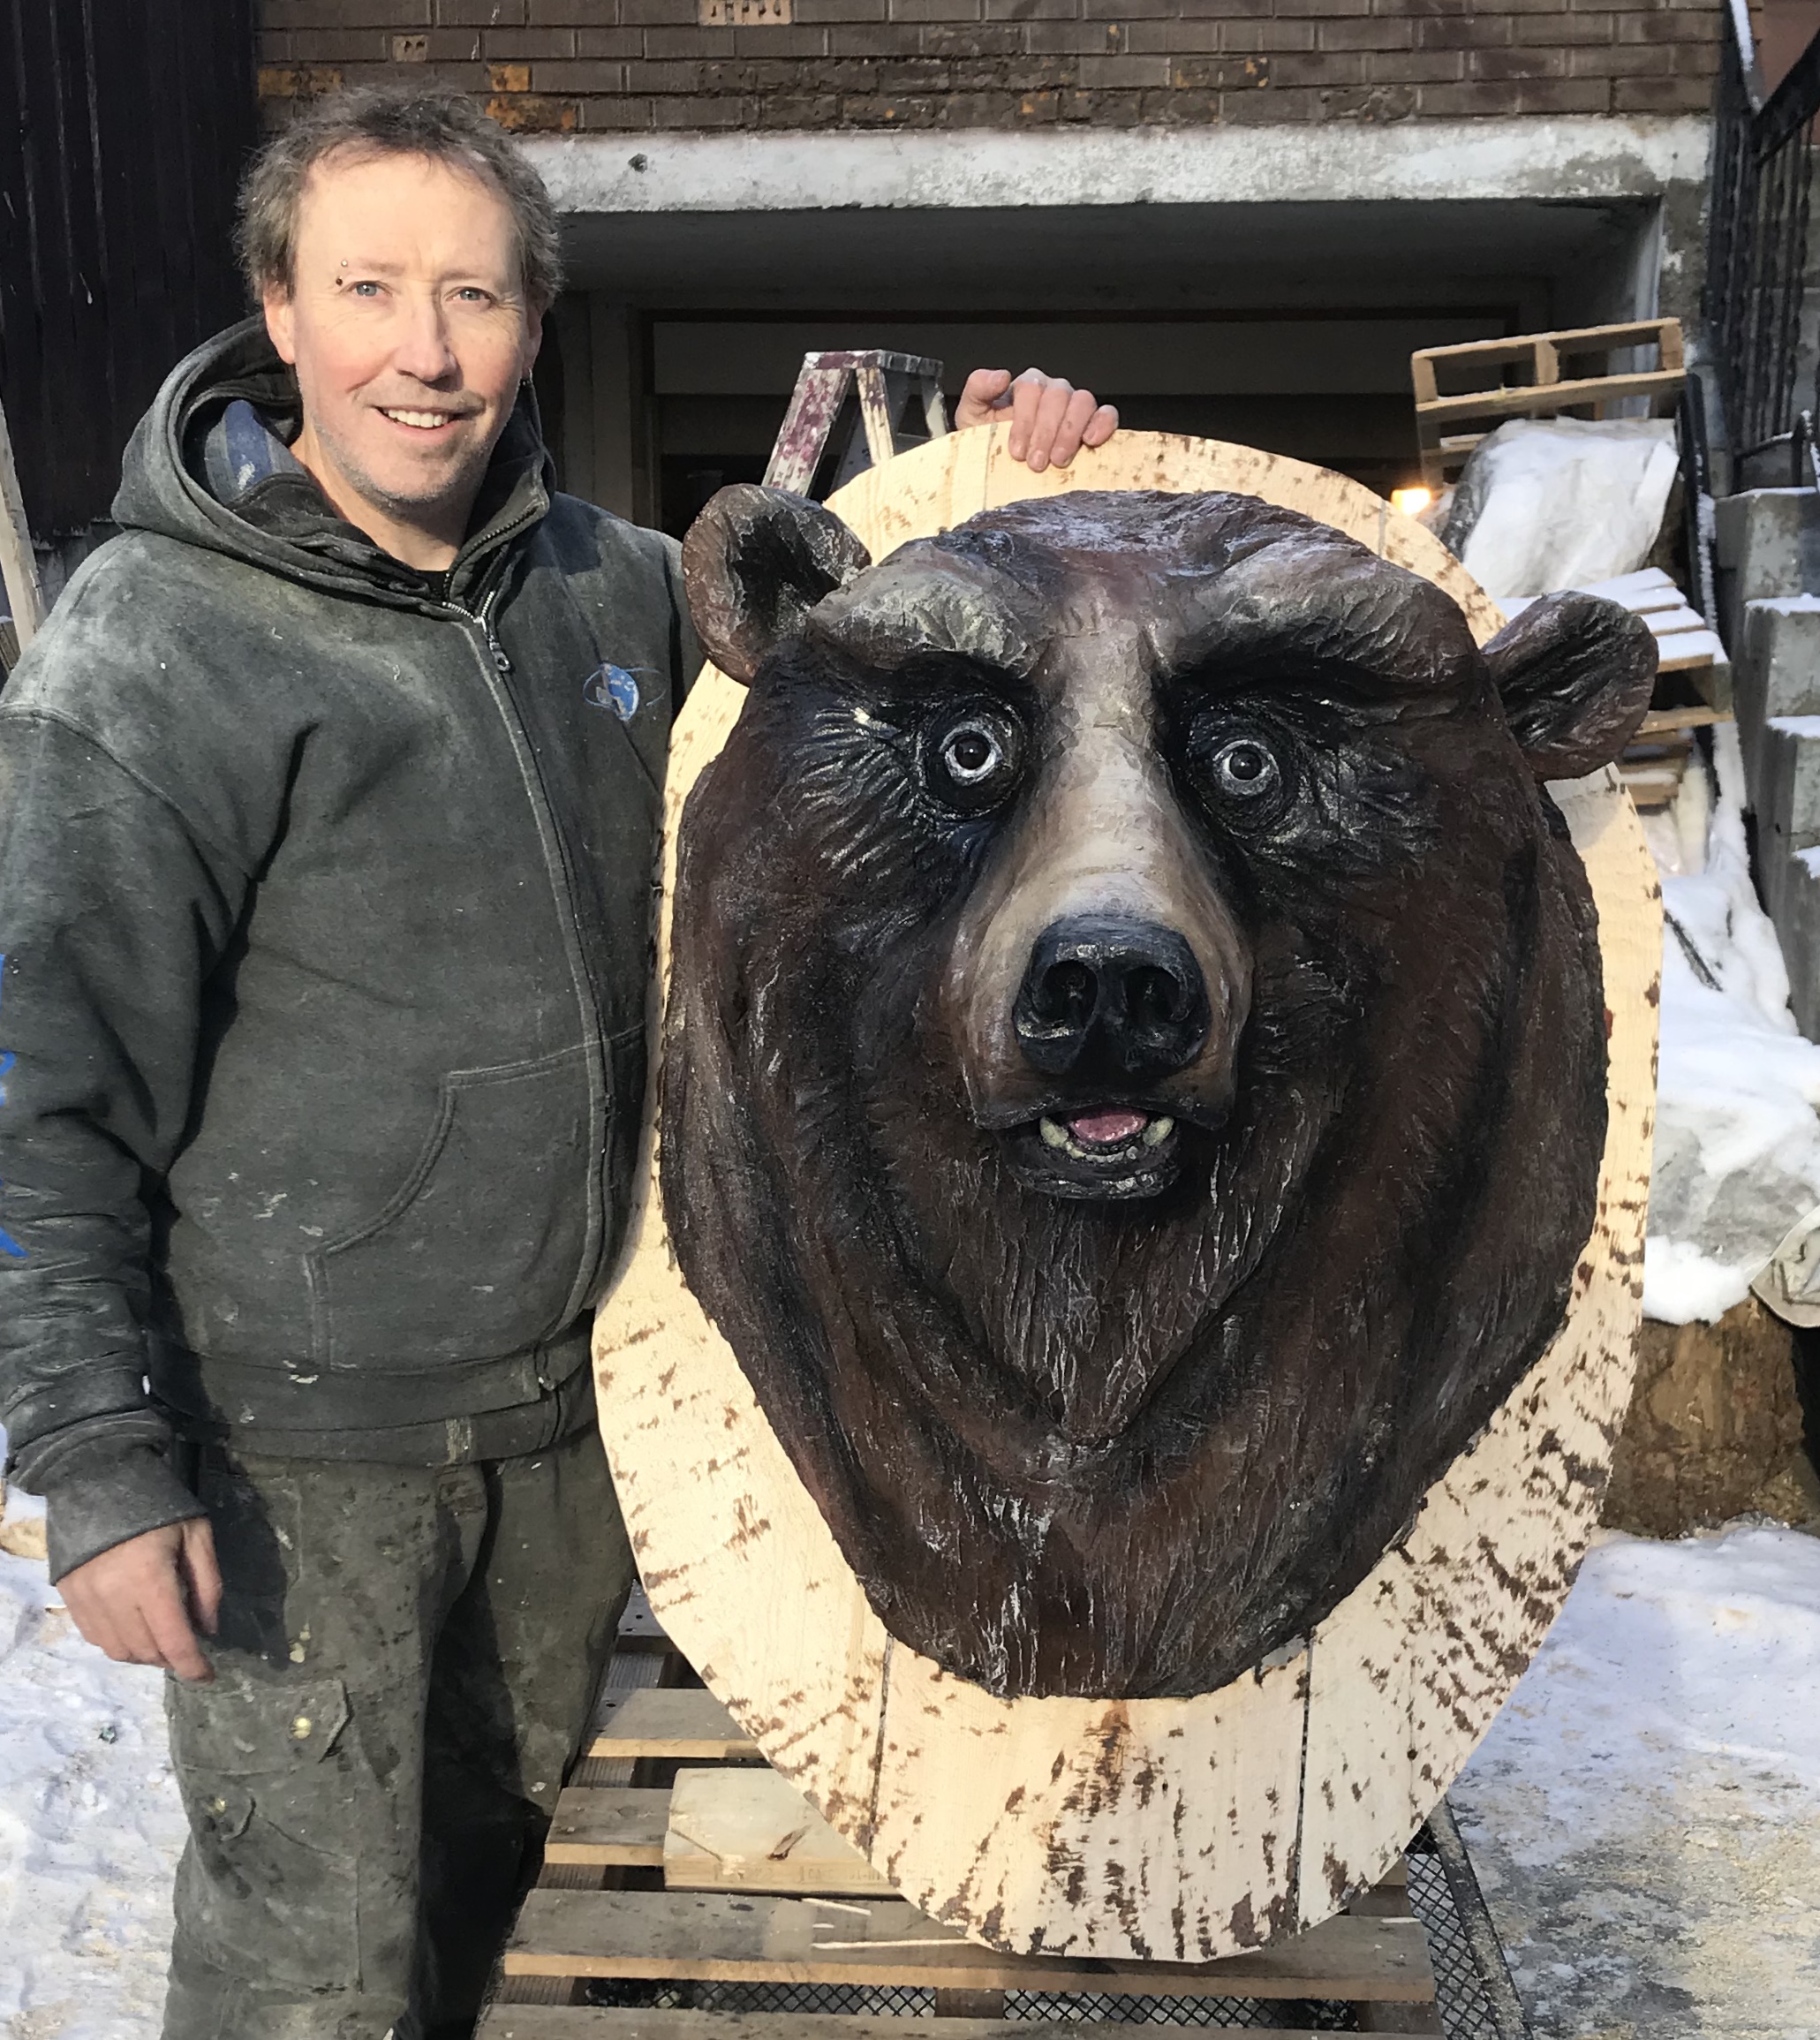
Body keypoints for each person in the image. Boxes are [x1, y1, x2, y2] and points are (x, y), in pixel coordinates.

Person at [0, 86, 1117, 2040]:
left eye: (476, 296)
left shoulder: (609, 591)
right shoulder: (153, 648)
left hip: (576, 1422)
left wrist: (1000, 481)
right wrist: (94, 1455)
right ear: (279, 309)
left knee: (476, 1903)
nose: (422, 353)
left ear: (531, 319)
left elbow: (879, 705)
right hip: (303, 1454)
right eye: (367, 289)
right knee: (307, 1979)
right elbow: (40, 1079)